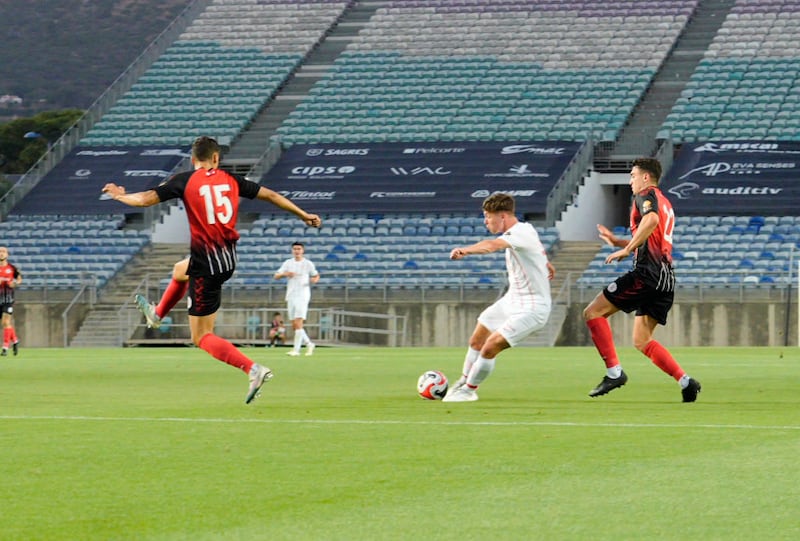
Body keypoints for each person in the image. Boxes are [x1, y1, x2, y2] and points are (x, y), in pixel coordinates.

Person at [102, 136, 322, 404]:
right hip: (226, 258)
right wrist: (304, 215)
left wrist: (120, 195)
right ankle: (157, 313)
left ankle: (253, 369)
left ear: (193, 159)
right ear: (216, 158)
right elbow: (272, 196)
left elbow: (145, 200)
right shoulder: (231, 180)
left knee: (201, 336)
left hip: (207, 266)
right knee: (179, 269)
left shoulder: (184, 180)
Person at [583, 157, 701, 402]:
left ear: (646, 177)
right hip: (666, 278)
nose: (630, 181)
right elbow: (651, 236)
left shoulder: (645, 196)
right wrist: (618, 243)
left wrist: (626, 251)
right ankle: (686, 382)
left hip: (647, 274)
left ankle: (614, 373)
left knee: (593, 312)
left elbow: (651, 221)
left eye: (632, 176)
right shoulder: (665, 202)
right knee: (642, 340)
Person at [443, 193, 555, 402]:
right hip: (512, 299)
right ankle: (463, 380)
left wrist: (465, 251)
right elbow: (537, 249)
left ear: (502, 216)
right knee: (477, 339)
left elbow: (491, 245)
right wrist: (545, 263)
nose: (486, 221)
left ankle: (468, 390)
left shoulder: (519, 233)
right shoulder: (525, 230)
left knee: (490, 346)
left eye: (488, 216)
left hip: (533, 307)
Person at [274, 242, 320, 356]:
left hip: (303, 294)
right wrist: (285, 274)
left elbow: (316, 275)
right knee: (294, 324)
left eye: (299, 249)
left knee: (299, 322)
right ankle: (309, 344)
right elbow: (276, 276)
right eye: (295, 249)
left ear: (303, 250)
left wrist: (315, 280)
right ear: (292, 250)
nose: (297, 251)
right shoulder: (288, 263)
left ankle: (296, 350)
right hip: (291, 294)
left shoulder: (308, 263)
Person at [0, 246, 21, 356]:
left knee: (5, 322)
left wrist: (15, 283)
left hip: (8, 299)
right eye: (0, 252)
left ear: (7, 254)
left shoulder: (12, 268)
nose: (1, 254)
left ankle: (5, 347)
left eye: (3, 252)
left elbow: (19, 278)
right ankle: (15, 340)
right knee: (5, 324)